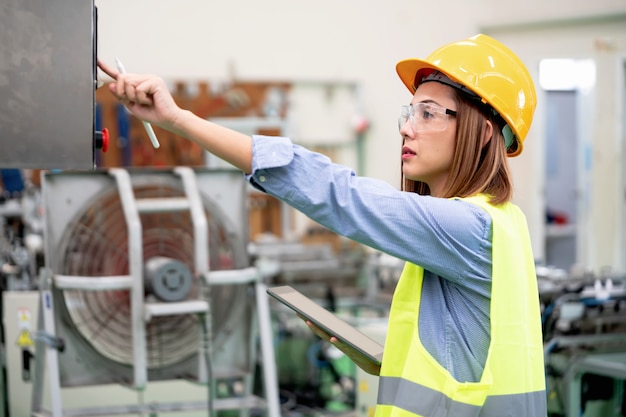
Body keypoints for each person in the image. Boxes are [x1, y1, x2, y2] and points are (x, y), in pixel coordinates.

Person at [98, 33, 547, 417]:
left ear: (483, 131)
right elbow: (464, 363)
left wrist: (179, 119)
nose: (407, 129)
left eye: (427, 113)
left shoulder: (468, 227)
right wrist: (374, 355)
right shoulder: (501, 223)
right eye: (409, 113)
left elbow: (339, 193)